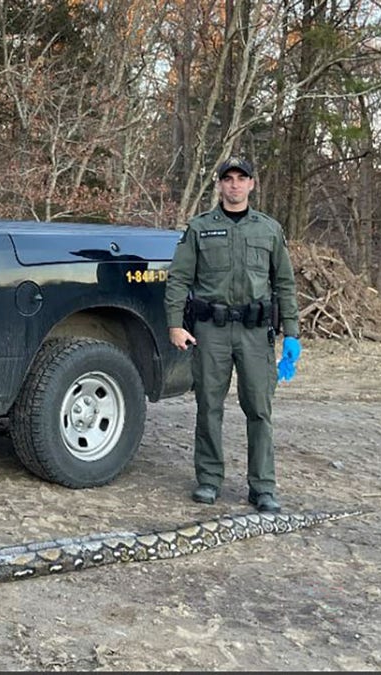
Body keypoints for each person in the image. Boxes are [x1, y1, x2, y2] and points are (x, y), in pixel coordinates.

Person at [164, 157, 301, 513]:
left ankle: (263, 487)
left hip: (256, 334)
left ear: (252, 184)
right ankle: (209, 480)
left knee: (259, 408)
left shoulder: (269, 230)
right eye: (229, 179)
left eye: (242, 179)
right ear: (220, 185)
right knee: (209, 406)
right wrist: (175, 324)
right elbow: (179, 278)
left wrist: (292, 334)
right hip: (212, 332)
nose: (235, 185)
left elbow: (284, 283)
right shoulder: (199, 228)